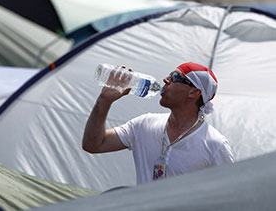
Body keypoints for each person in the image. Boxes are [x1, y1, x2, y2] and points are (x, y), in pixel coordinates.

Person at [82, 62, 234, 184]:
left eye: (175, 77)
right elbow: (94, 144)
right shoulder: (144, 124)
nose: (166, 79)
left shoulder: (215, 145)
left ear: (194, 93)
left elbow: (232, 197)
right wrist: (104, 101)